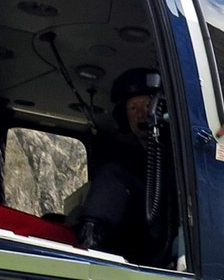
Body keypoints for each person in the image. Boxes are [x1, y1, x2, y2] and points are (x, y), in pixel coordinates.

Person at [71, 67, 177, 265]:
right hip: (136, 234)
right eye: (133, 108)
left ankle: (88, 246)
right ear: (124, 116)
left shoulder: (176, 150)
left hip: (160, 236)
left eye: (147, 106)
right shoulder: (124, 154)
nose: (141, 114)